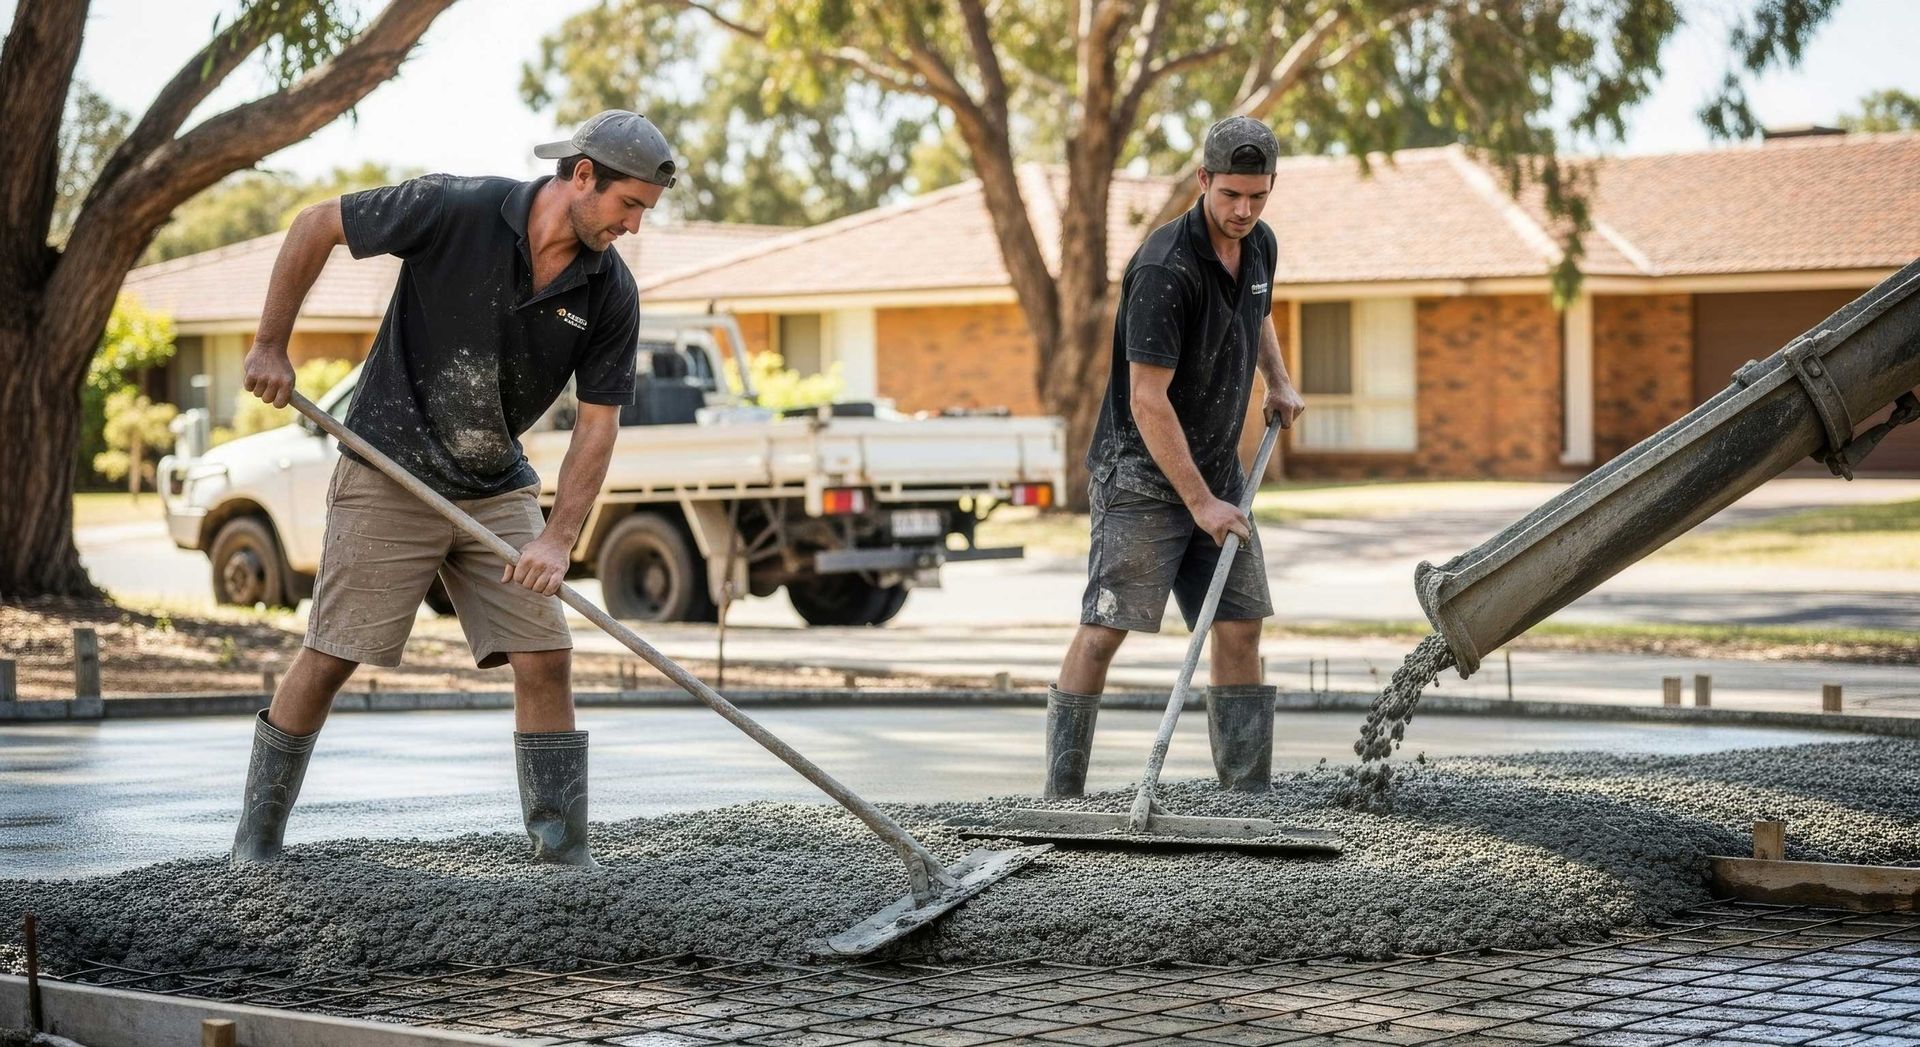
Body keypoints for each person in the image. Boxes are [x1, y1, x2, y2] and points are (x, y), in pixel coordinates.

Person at [230, 110, 678, 867]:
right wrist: (271, 343)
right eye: (628, 204)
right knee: (334, 653)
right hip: (389, 466)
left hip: (493, 481)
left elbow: (596, 427)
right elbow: (315, 226)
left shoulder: (608, 292)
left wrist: (557, 537)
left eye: (644, 211)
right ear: (581, 176)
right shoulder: (455, 209)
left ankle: (561, 855)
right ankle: (257, 840)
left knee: (545, 655)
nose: (634, 226)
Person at [1043, 116, 1306, 798]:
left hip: (1216, 472)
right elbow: (1146, 399)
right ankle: (1061, 797)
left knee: (1240, 624)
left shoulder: (1260, 247)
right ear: (1203, 181)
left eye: (1258, 196)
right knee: (1105, 628)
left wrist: (1275, 377)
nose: (1244, 211)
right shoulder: (1166, 268)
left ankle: (1245, 796)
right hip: (1140, 476)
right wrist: (1201, 504)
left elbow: (1259, 310)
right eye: (1231, 196)